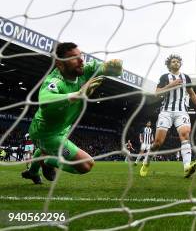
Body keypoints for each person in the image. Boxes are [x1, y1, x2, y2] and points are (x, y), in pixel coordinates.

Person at [21, 42, 123, 184]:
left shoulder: (85, 70)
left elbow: (112, 71)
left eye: (81, 56)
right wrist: (77, 94)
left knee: (48, 150)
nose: (81, 60)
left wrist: (114, 67)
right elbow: (44, 99)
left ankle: (32, 172)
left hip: (62, 127)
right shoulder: (54, 81)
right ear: (60, 64)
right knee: (87, 165)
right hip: (46, 134)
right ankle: (47, 160)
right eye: (74, 58)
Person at [140, 54, 196, 178]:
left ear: (180, 64)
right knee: (158, 143)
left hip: (182, 111)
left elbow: (192, 94)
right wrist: (172, 84)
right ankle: (146, 162)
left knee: (185, 135)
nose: (176, 63)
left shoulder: (186, 77)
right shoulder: (165, 77)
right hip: (166, 112)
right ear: (169, 65)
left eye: (177, 61)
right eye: (173, 61)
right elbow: (157, 93)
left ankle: (187, 167)